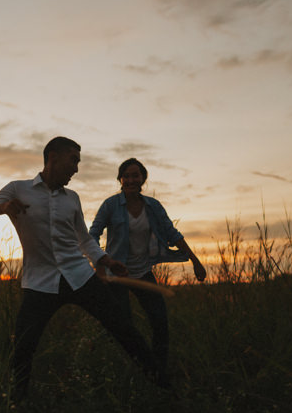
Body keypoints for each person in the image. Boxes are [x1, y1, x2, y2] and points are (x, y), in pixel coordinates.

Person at [0, 137, 165, 402]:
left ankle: (162, 385)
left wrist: (105, 260)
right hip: (40, 283)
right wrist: (2, 208)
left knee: (124, 328)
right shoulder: (18, 189)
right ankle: (17, 404)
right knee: (24, 346)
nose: (76, 168)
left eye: (78, 162)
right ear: (52, 157)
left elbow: (84, 239)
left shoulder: (72, 198)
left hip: (80, 276)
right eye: (73, 160)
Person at [89, 157, 207, 380]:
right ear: (120, 179)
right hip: (117, 276)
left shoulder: (152, 206)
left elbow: (172, 234)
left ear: (143, 179)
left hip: (143, 273)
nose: (132, 180)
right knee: (125, 327)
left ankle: (157, 371)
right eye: (127, 176)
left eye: (136, 175)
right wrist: (101, 268)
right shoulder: (111, 205)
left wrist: (196, 261)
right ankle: (130, 370)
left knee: (160, 321)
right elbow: (93, 235)